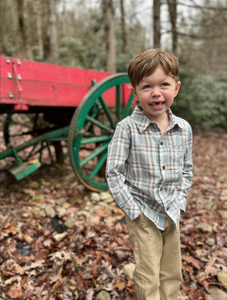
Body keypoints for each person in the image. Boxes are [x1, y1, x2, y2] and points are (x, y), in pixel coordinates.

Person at [106, 48, 193, 300]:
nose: (156, 92)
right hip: (143, 213)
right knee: (148, 272)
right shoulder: (127, 129)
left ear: (176, 88)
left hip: (172, 211)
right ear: (134, 92)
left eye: (163, 84)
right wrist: (133, 211)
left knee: (171, 269)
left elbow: (187, 168)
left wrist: (180, 200)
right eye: (146, 87)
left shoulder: (183, 129)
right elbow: (114, 172)